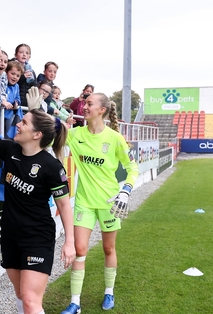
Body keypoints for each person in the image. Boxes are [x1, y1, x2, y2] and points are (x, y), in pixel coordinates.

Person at [0, 73, 76, 314]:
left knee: (30, 300)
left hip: (37, 237)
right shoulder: (10, 149)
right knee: (20, 296)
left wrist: (69, 242)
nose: (18, 123)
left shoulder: (51, 166)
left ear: (37, 135)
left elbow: (65, 206)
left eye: (24, 122)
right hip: (10, 234)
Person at [60, 92, 139, 314]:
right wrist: (41, 112)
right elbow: (49, 136)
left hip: (109, 202)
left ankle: (109, 292)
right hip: (84, 202)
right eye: (84, 103)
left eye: (89, 104)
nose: (84, 107)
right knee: (80, 249)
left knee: (108, 248)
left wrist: (126, 189)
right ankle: (75, 303)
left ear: (101, 110)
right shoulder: (75, 135)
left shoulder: (115, 138)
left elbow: (133, 168)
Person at [0, 60, 23, 139]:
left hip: (9, 116)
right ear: (6, 72)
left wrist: (16, 103)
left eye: (18, 76)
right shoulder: (2, 83)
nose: (15, 77)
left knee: (7, 136)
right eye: (12, 74)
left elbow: (18, 98)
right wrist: (4, 102)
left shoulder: (17, 86)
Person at [13, 43, 36, 108]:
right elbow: (10, 82)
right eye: (21, 52)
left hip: (27, 103)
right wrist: (23, 77)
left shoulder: (31, 71)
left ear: (29, 56)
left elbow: (34, 85)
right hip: (15, 102)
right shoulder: (12, 67)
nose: (24, 54)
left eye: (27, 53)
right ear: (15, 55)